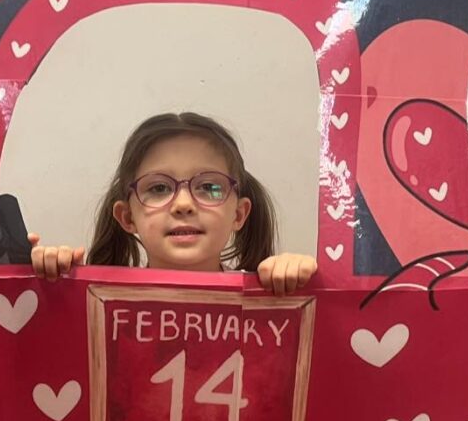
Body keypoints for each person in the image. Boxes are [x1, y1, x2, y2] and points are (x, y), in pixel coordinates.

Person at [29, 112, 318, 295]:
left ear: (239, 214)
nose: (183, 203)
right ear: (127, 217)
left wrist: (300, 279)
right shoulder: (95, 297)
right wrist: (49, 277)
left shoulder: (270, 292)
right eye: (158, 188)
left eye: (209, 187)